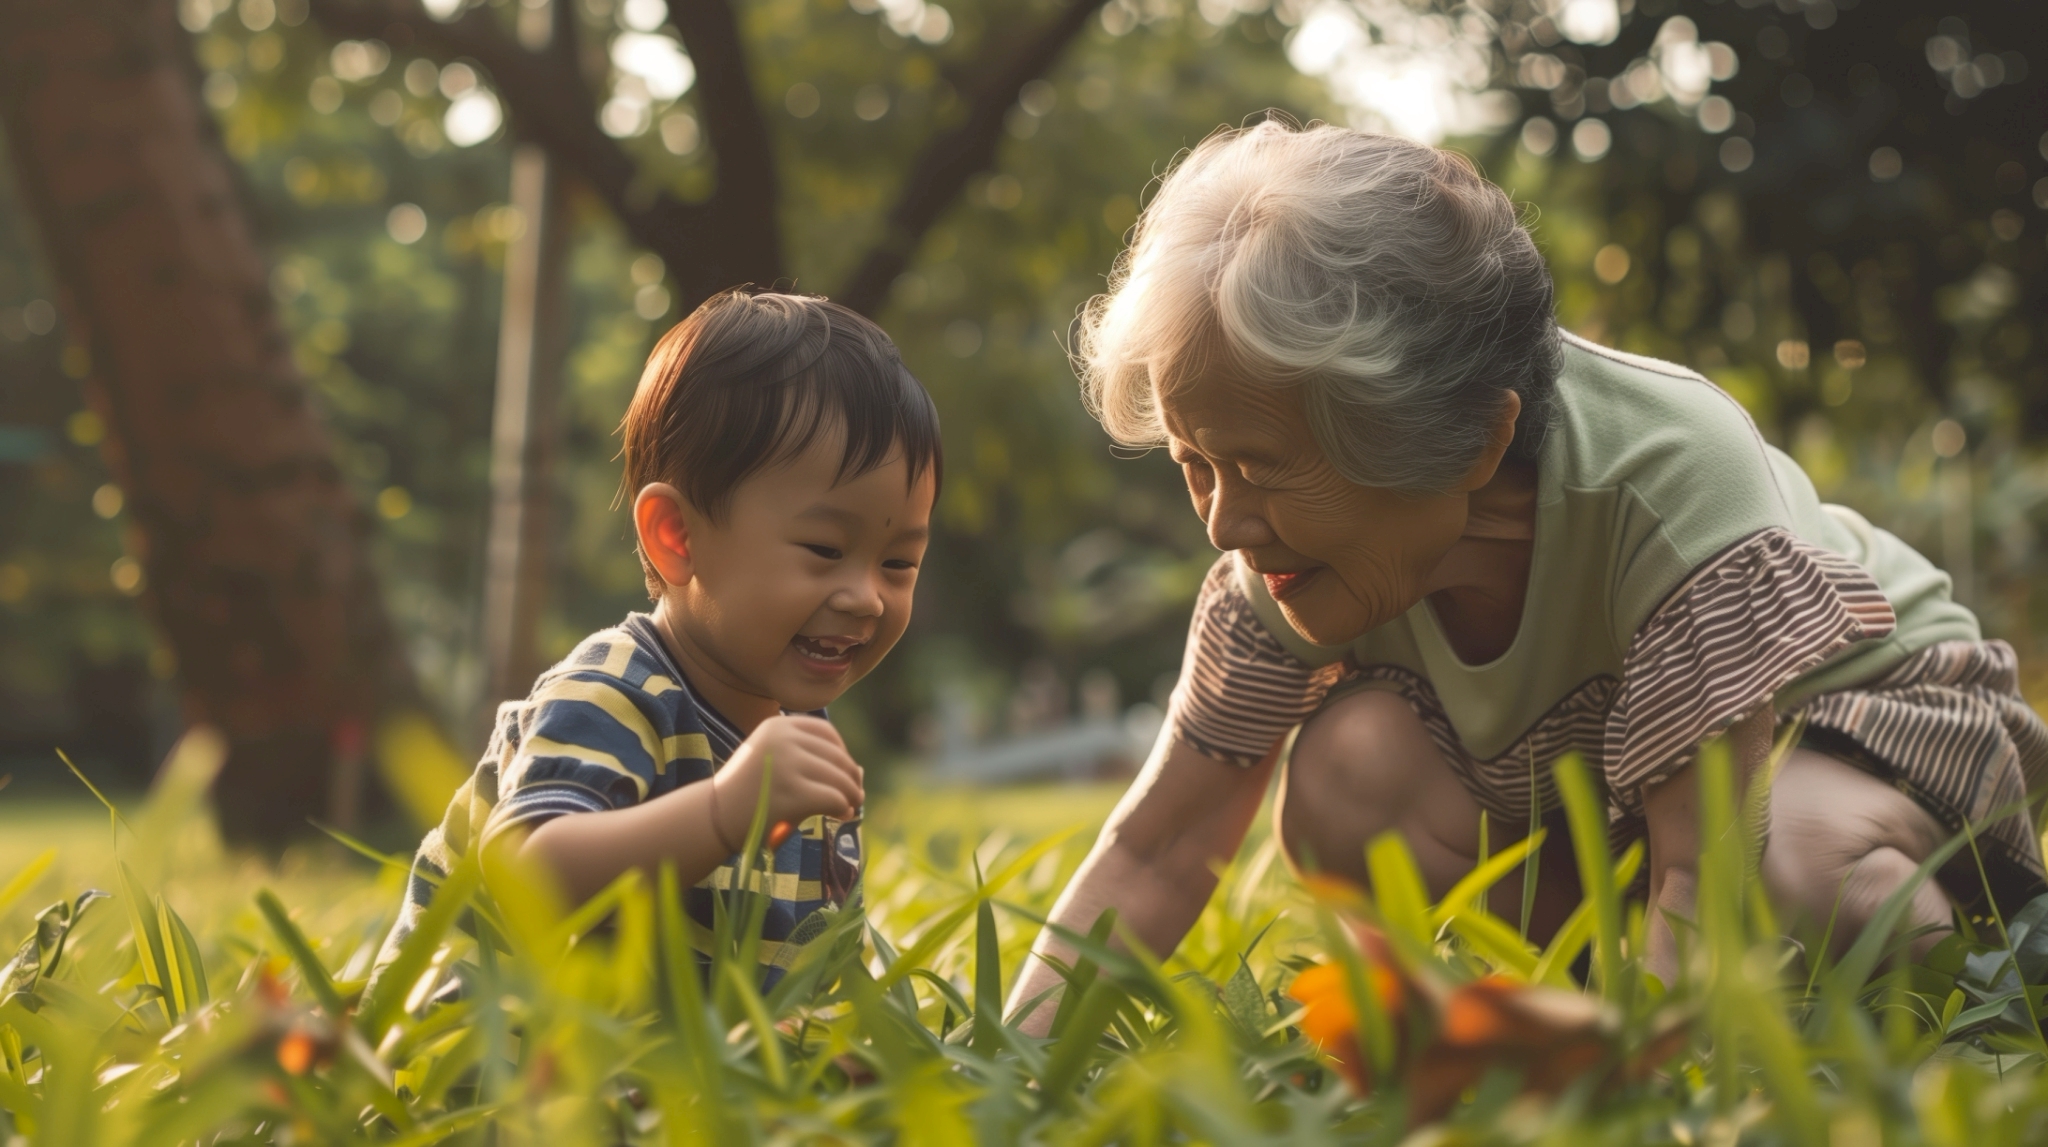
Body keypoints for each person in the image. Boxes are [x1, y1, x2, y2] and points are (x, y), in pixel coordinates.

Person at [1010, 120, 2048, 1022]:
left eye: (1263, 469)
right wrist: (997, 1063)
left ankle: (1954, 972)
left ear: (1465, 442)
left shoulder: (1668, 474)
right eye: (1196, 465)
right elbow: (1155, 848)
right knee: (1346, 772)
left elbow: (1703, 868)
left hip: (1864, 724)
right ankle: (1582, 997)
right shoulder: (1279, 556)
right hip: (1614, 796)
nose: (1223, 523)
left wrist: (1629, 1097)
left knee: (1797, 869)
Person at [375, 289, 940, 990]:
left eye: (898, 563)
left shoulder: (798, 742)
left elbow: (802, 961)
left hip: (659, 1080)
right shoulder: (614, 692)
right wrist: (724, 808)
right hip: (493, 1063)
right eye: (825, 548)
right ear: (676, 537)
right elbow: (529, 872)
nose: (865, 595)